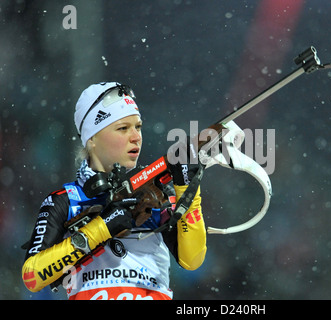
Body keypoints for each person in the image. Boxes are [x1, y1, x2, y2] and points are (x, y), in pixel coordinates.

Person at [22, 82, 207, 300]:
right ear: (92, 139)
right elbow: (32, 277)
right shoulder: (64, 201)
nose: (136, 136)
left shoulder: (155, 195)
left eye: (138, 127)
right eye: (123, 128)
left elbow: (192, 259)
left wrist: (187, 190)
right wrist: (102, 228)